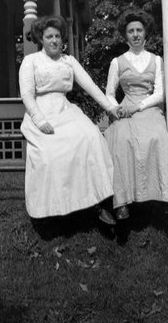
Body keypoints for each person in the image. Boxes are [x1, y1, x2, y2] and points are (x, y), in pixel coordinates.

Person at [19, 15, 119, 224]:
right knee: (50, 154)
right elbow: (27, 95)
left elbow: (90, 86)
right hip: (42, 113)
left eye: (57, 36)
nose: (54, 40)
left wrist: (111, 107)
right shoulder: (31, 61)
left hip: (65, 110)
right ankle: (51, 211)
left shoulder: (69, 61)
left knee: (91, 137)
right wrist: (40, 121)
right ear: (41, 39)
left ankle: (100, 201)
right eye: (49, 37)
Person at [104, 9, 168, 221]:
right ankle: (122, 202)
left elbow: (160, 93)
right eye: (131, 31)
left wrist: (138, 106)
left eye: (139, 30)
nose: (136, 34)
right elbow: (109, 94)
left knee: (158, 136)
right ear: (125, 35)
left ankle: (167, 197)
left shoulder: (156, 60)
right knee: (121, 139)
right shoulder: (117, 62)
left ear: (145, 33)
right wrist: (117, 108)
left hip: (147, 107)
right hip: (125, 108)